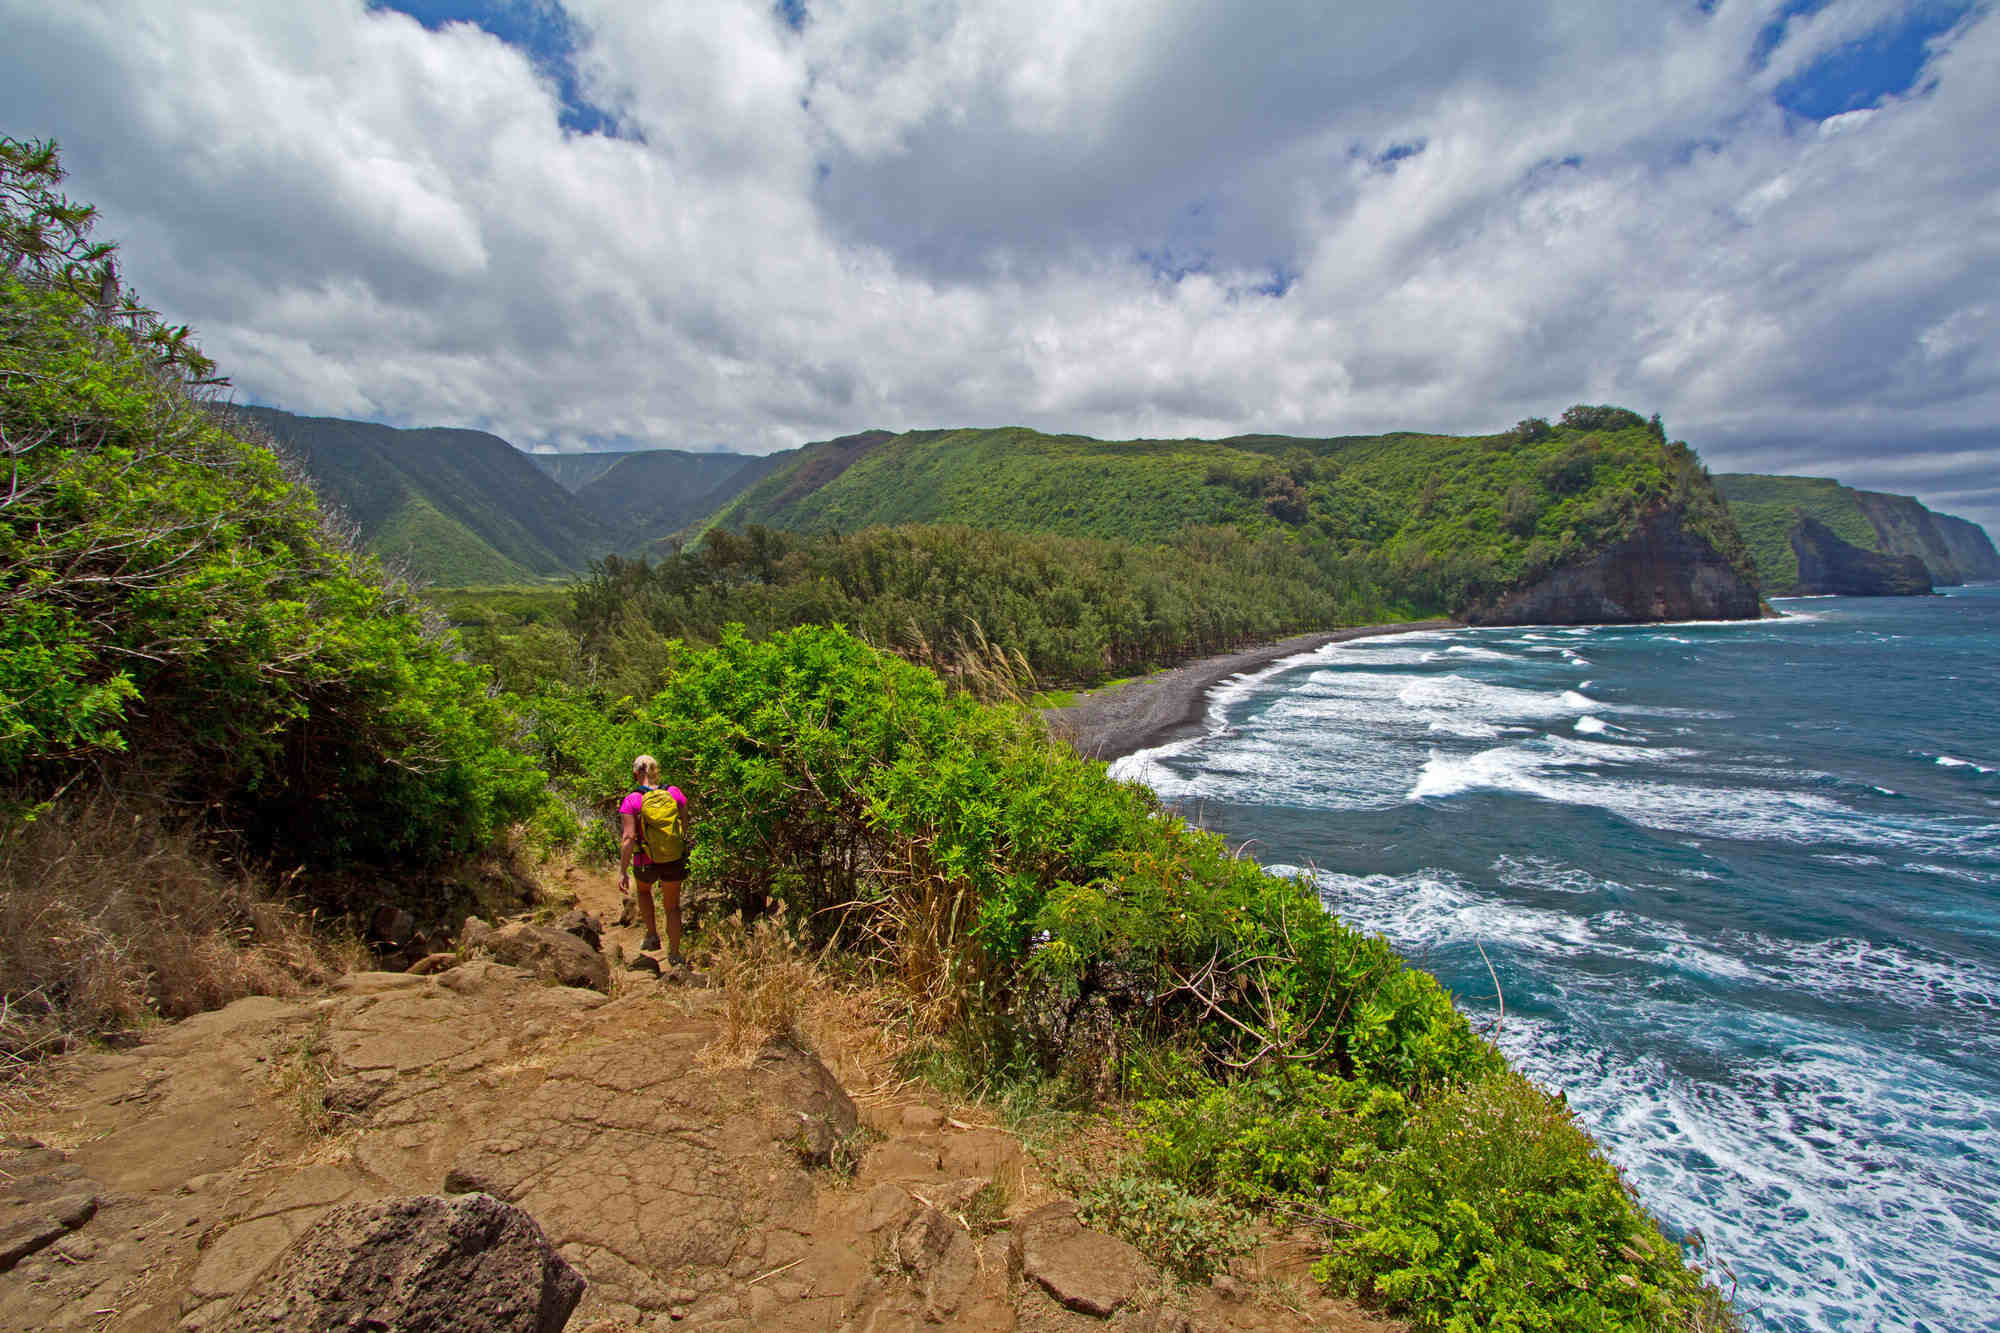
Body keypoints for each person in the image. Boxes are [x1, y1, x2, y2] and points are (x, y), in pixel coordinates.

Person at [618, 754, 690, 965]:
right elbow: (684, 825)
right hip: (673, 859)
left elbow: (629, 837)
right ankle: (675, 955)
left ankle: (652, 936)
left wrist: (622, 870)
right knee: (672, 907)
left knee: (642, 890)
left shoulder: (632, 800)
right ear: (657, 770)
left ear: (635, 774)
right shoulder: (674, 793)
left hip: (645, 860)